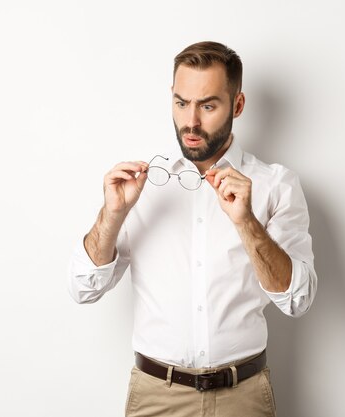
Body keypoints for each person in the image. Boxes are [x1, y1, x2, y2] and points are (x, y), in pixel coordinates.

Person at [68, 41, 317, 417]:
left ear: (237, 105)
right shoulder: (141, 188)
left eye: (208, 105)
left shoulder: (275, 185)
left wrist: (246, 222)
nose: (191, 122)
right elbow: (82, 288)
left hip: (243, 397)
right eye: (182, 103)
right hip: (157, 398)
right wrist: (112, 213)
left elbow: (297, 301)